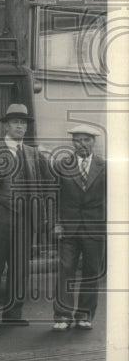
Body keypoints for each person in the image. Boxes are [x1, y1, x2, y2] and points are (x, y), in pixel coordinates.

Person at [0, 103, 52, 326]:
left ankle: (13, 315)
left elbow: (47, 182)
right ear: (6, 125)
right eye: (15, 122)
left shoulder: (33, 152)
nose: (20, 126)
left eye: (23, 123)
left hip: (25, 220)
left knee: (20, 269)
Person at [53, 125, 106, 332]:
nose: (82, 144)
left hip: (95, 227)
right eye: (77, 140)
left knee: (92, 272)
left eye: (86, 140)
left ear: (94, 142)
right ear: (72, 142)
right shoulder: (61, 165)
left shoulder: (104, 166)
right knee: (65, 270)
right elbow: (53, 197)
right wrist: (56, 223)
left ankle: (85, 315)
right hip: (68, 227)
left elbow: (114, 198)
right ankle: (62, 315)